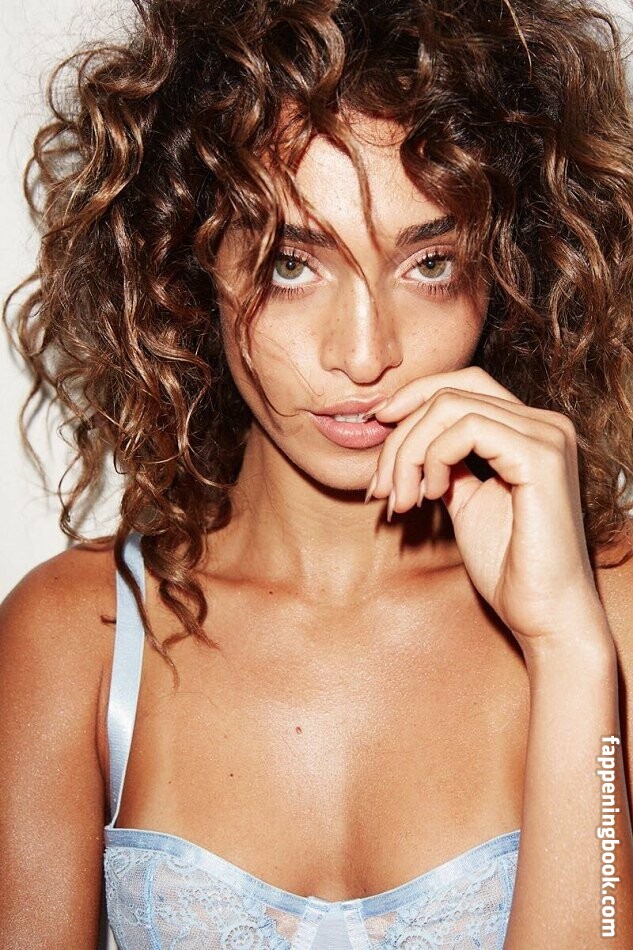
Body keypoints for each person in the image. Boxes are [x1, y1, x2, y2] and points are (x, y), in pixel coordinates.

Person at [2, 0, 633, 946]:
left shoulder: (607, 608)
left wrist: (568, 651)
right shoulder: (75, 636)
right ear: (188, 268)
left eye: (429, 263)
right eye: (292, 264)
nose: (365, 353)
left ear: (509, 271)